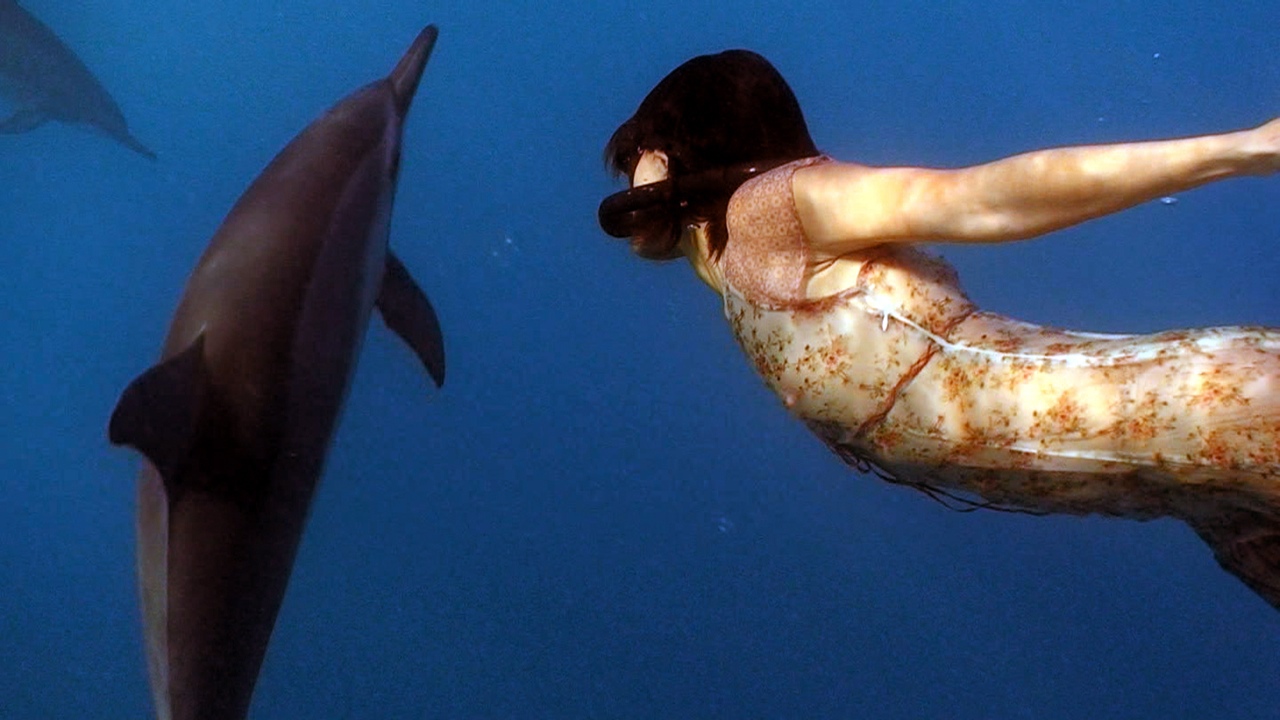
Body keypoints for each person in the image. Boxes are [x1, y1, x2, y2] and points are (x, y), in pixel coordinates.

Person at [598, 49, 1280, 609]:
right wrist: (656, 193)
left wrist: (1243, 149)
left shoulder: (772, 211)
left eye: (636, 158)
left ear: (666, 155)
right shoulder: (730, 260)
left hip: (1219, 410)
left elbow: (989, 198)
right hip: (1199, 473)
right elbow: (685, 248)